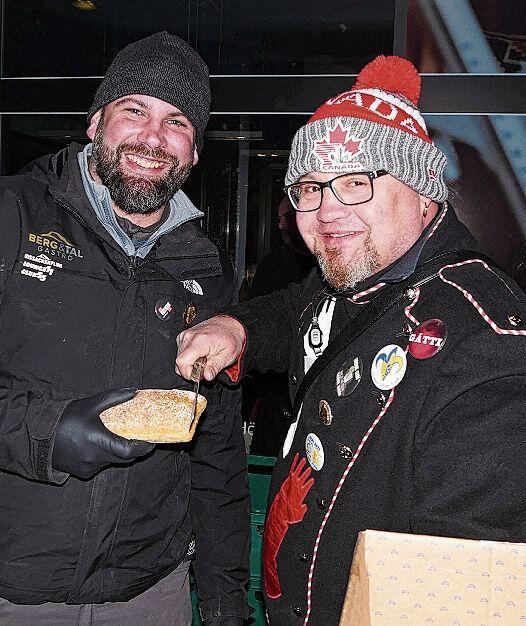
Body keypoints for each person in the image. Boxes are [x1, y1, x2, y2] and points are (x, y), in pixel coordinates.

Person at [176, 55, 526, 624]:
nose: (327, 212)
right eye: (309, 188)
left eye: (356, 183)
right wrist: (235, 327)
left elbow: (472, 591)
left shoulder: (488, 348)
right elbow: (296, 311)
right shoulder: (357, 275)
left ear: (421, 189)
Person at [0, 31, 249, 626]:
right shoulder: (11, 215)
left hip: (148, 596)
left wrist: (222, 602)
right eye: (134, 110)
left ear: (192, 153)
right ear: (96, 123)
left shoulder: (202, 266)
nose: (152, 138)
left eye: (177, 122)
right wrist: (46, 432)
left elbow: (215, 453)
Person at [245, 197, 315, 455]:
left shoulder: (322, 270)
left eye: (287, 217)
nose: (281, 226)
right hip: (275, 397)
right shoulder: (275, 263)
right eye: (279, 219)